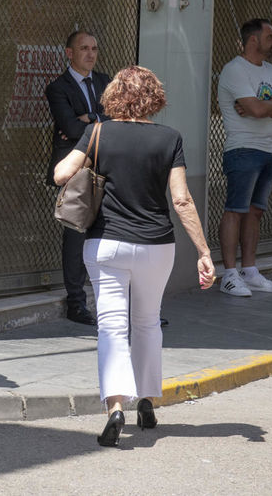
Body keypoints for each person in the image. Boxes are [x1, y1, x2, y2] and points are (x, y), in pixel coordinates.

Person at [53, 66, 215, 447]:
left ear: (112, 96)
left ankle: (115, 408)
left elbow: (62, 174)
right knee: (146, 324)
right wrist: (204, 252)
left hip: (107, 243)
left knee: (111, 325)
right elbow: (180, 199)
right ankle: (146, 400)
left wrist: (87, 157)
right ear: (154, 98)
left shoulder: (97, 132)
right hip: (157, 244)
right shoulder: (169, 138)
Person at [215, 18, 272, 297]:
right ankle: (229, 274)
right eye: (270, 36)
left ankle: (249, 271)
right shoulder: (234, 70)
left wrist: (265, 105)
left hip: (271, 149)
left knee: (255, 212)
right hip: (243, 148)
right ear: (253, 40)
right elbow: (260, 109)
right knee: (235, 210)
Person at [44, 30, 110, 326]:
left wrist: (90, 119)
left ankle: (109, 300)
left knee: (107, 236)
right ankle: (76, 302)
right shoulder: (58, 87)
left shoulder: (105, 82)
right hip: (75, 172)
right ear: (69, 53)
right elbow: (70, 128)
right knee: (76, 235)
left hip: (106, 166)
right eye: (84, 48)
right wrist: (97, 120)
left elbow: (117, 119)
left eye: (94, 48)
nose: (90, 54)